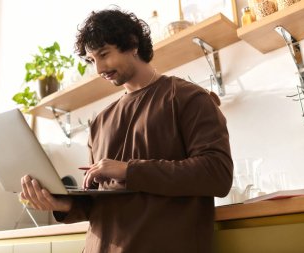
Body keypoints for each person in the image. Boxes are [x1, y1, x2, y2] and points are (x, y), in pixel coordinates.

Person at [21, 7, 233, 253]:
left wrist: (127, 170)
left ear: (132, 44)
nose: (99, 68)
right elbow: (99, 203)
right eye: (92, 60)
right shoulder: (100, 121)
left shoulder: (187, 97)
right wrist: (60, 203)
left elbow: (217, 174)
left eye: (104, 54)